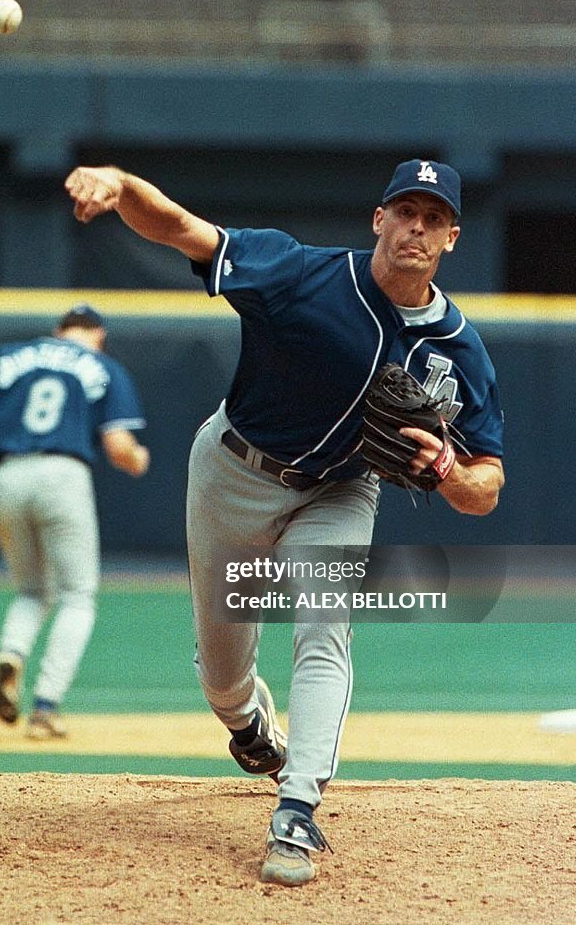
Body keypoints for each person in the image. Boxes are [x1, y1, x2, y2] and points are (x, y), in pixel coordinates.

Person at [64, 158, 504, 884]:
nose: (415, 228)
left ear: (450, 237)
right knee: (223, 677)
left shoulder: (459, 351)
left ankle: (296, 810)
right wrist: (120, 186)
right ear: (378, 219)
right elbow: (180, 229)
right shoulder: (298, 272)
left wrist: (450, 474)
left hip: (340, 492)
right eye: (404, 212)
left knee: (325, 625)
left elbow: (486, 485)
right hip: (233, 471)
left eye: (432, 219)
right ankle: (246, 723)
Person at [0, 304, 150, 739]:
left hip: (5, 476)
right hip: (62, 475)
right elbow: (118, 446)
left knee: (32, 589)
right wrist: (138, 459)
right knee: (77, 595)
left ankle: (12, 654)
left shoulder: (13, 354)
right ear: (98, 335)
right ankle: (45, 708)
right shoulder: (102, 365)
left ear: (57, 332)